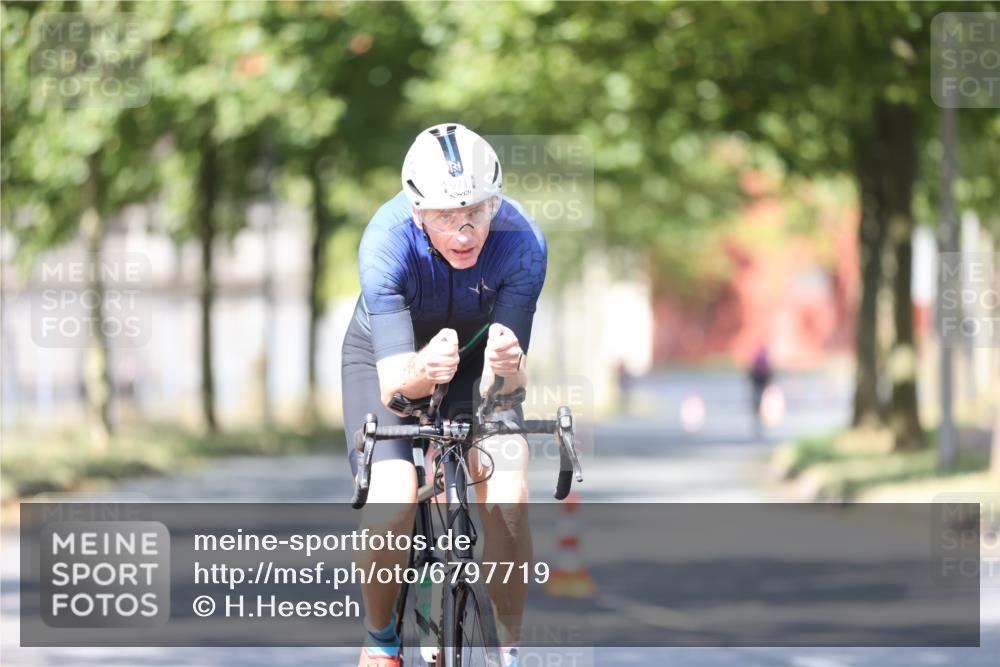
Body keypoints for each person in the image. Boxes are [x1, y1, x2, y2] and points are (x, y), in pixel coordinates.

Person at [341, 123, 547, 667]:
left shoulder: (522, 241)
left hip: (474, 363)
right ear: (417, 213)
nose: (464, 232)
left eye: (477, 213)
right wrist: (422, 369)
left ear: (495, 203)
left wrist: (506, 368)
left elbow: (508, 387)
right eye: (445, 218)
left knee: (509, 492)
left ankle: (510, 647)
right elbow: (395, 388)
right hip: (392, 360)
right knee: (394, 496)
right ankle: (381, 639)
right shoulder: (385, 243)